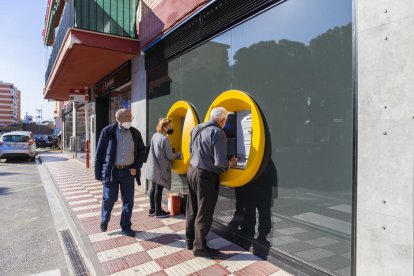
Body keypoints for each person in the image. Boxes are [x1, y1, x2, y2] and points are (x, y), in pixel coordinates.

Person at [185, 107, 238, 257]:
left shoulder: (196, 128)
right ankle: (200, 248)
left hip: (192, 171)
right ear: (222, 120)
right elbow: (220, 162)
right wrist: (231, 164)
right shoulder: (218, 132)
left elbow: (191, 150)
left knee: (192, 208)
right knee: (204, 212)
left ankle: (190, 240)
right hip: (206, 176)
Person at [94, 109, 146, 237]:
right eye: (127, 116)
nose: (130, 119)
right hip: (111, 171)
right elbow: (99, 153)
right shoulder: (108, 132)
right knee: (109, 198)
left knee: (128, 201)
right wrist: (98, 174)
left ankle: (126, 226)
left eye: (131, 116)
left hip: (128, 172)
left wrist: (136, 166)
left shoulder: (135, 133)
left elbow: (142, 151)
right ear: (119, 119)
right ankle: (105, 219)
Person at [145, 118, 182, 218]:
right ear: (164, 127)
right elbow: (170, 156)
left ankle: (152, 209)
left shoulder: (155, 136)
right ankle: (159, 211)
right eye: (170, 127)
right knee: (159, 189)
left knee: (153, 187)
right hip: (161, 168)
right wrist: (179, 154)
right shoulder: (165, 139)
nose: (172, 128)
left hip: (154, 166)